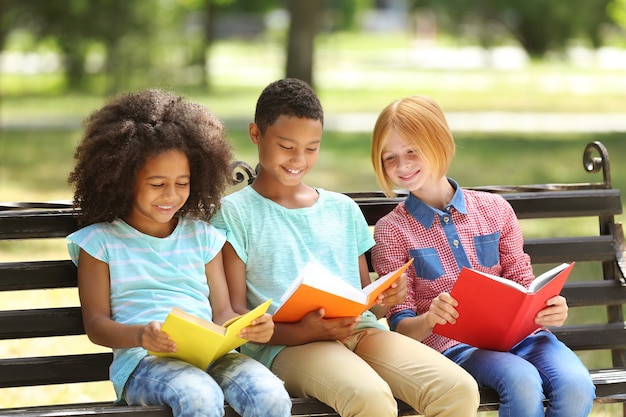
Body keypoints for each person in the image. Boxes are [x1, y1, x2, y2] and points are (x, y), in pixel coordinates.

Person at [212, 78, 480, 417]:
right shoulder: (235, 214)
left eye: (311, 148)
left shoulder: (341, 209)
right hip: (286, 346)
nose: (299, 159)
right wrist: (304, 331)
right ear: (256, 134)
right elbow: (238, 318)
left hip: (360, 332)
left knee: (457, 388)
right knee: (369, 397)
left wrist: (386, 297)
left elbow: (366, 302)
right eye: (286, 146)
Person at [65, 89, 292, 417]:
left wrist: (249, 327)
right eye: (157, 184)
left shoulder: (203, 237)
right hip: (145, 363)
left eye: (182, 183)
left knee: (270, 394)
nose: (171, 196)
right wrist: (141, 336)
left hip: (213, 356)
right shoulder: (100, 243)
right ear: (124, 179)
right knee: (198, 396)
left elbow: (223, 313)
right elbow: (97, 325)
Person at [369, 95, 596, 417]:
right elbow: (401, 326)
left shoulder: (494, 209)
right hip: (454, 347)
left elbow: (523, 282)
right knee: (522, 381)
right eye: (389, 157)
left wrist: (550, 308)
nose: (402, 165)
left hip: (523, 337)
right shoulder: (391, 230)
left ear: (440, 144)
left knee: (576, 385)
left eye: (411, 151)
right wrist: (431, 318)